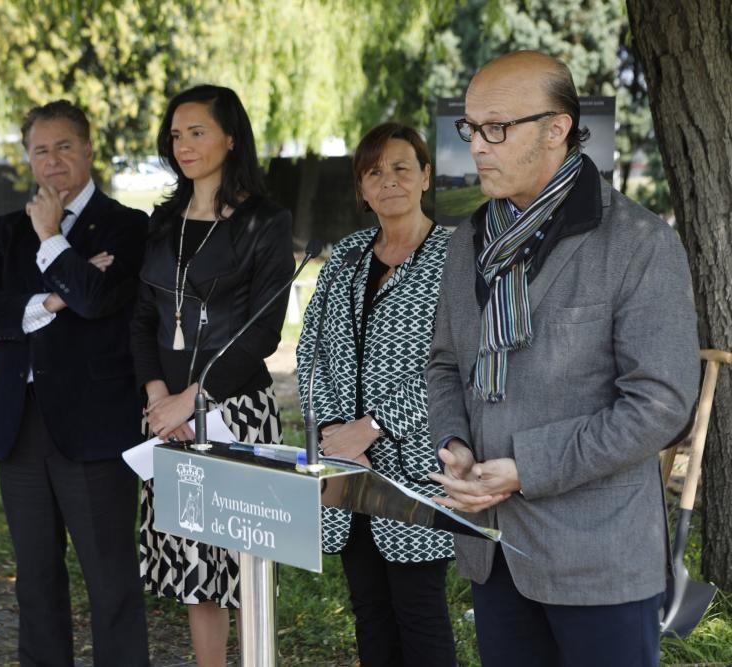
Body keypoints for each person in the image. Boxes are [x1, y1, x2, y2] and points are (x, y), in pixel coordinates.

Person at [426, 50, 700, 666]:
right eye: (470, 129)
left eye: (497, 128)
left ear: (556, 129)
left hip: (597, 557)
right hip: (495, 550)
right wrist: (456, 442)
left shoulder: (638, 243)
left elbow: (661, 404)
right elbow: (444, 363)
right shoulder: (469, 241)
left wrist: (527, 466)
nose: (477, 146)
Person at [0, 100, 150, 666]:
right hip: (19, 427)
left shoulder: (129, 226)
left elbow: (95, 302)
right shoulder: (6, 230)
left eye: (64, 146)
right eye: (40, 150)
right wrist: (50, 298)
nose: (52, 160)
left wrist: (53, 240)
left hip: (94, 431)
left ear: (89, 150)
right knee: (36, 581)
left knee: (110, 579)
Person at [130, 84, 294, 667]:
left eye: (197, 131)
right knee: (194, 566)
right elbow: (143, 318)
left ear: (230, 137)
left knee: (241, 562)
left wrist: (191, 402)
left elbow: (262, 332)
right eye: (176, 134)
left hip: (234, 414)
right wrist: (157, 396)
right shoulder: (164, 221)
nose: (184, 144)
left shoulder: (265, 222)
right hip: (166, 416)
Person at [295, 122, 457, 667]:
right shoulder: (345, 257)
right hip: (346, 468)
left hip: (415, 472)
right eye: (373, 171)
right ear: (361, 189)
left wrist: (373, 426)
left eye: (400, 168)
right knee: (369, 613)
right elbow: (310, 353)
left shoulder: (457, 257)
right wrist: (331, 432)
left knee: (421, 617)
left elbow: (456, 366)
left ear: (425, 176)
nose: (387, 180)